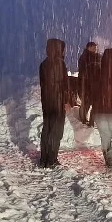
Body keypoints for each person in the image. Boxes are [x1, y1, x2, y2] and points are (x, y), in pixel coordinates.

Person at [38, 38, 70, 168]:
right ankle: (52, 159)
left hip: (47, 102)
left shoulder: (43, 64)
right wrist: (66, 101)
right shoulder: (59, 63)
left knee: (47, 129)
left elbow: (43, 84)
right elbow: (64, 85)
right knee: (56, 132)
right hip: (57, 102)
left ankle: (43, 159)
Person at [77, 41, 101, 126]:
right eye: (93, 47)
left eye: (95, 47)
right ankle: (83, 121)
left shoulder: (97, 57)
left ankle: (91, 122)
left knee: (95, 104)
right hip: (87, 85)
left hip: (94, 85)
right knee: (87, 103)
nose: (95, 49)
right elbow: (84, 72)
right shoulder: (85, 58)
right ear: (89, 48)